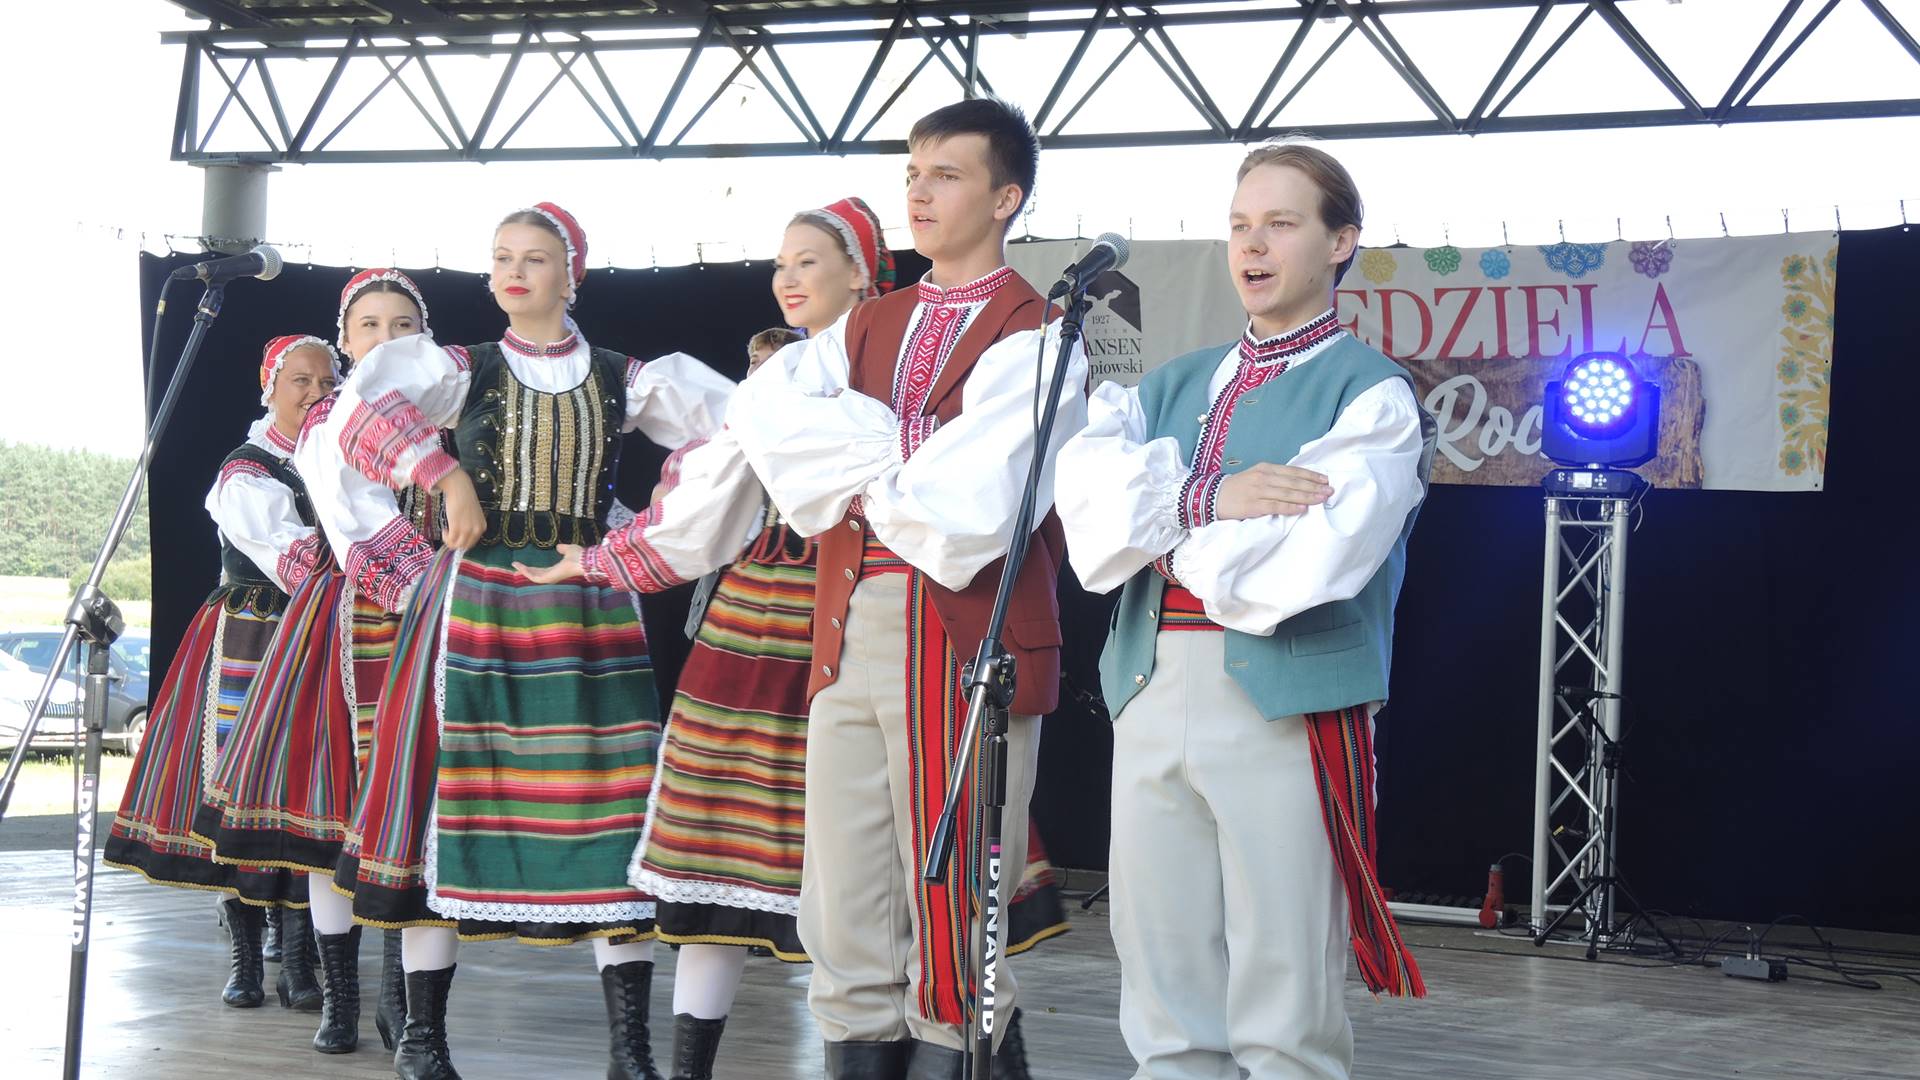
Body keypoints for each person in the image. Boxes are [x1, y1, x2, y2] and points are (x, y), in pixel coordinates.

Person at [322, 202, 732, 1080]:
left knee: (616, 809)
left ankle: (630, 1050)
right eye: (502, 257)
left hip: (585, 607)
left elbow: (733, 439)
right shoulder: (460, 367)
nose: (513, 271)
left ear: (570, 274)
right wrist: (442, 473)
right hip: (473, 603)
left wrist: (642, 532)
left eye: (535, 258)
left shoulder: (627, 379)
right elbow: (357, 408)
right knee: (442, 805)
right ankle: (422, 1039)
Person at [1054, 142, 1437, 1080]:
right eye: (1239, 226)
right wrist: (1212, 499)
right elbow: (1088, 513)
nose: (1252, 246)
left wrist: (1161, 517)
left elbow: (1300, 565)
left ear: (1340, 242)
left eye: (1280, 224)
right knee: (1162, 973)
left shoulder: (1372, 395)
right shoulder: (1165, 385)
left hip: (1283, 700)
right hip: (1149, 685)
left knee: (1285, 986)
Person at [726, 99, 1089, 1079]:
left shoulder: (1041, 335)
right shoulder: (867, 322)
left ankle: (956, 1053)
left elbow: (973, 512)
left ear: (1006, 198)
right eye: (913, 175)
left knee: (957, 884)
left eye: (948, 175)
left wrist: (860, 465)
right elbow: (769, 422)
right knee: (844, 888)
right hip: (851, 619)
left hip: (967, 634)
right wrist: (916, 453)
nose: (920, 193)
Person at [195, 268, 438, 1055]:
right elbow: (306, 549)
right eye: (369, 327)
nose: (386, 341)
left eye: (403, 326)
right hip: (328, 625)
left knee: (406, 814)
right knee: (322, 811)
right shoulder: (285, 453)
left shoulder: (448, 415)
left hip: (418, 625)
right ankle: (334, 993)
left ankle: (399, 997)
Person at [103, 334, 337, 1008]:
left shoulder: (336, 461)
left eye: (328, 382)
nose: (317, 393)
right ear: (271, 388)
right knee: (235, 786)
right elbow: (297, 560)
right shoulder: (247, 471)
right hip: (251, 637)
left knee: (302, 788)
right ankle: (247, 958)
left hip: (314, 635)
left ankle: (299, 961)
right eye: (301, 381)